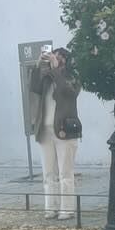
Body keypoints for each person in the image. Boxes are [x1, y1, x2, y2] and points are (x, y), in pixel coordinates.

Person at [26, 48, 82, 220]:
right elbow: (33, 87)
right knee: (48, 173)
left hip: (64, 130)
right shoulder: (47, 77)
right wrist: (38, 66)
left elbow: (68, 91)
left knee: (65, 173)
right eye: (53, 57)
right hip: (45, 130)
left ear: (66, 61)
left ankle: (67, 209)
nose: (55, 60)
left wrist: (57, 71)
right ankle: (51, 208)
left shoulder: (72, 77)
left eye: (59, 58)